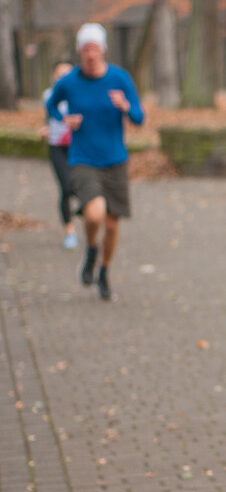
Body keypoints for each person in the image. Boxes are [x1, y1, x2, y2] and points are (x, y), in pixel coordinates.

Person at [45, 23, 144, 301]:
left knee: (112, 226)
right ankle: (91, 249)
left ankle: (104, 271)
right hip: (83, 158)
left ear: (102, 50)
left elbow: (139, 117)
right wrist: (64, 119)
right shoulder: (69, 82)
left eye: (94, 48)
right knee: (94, 214)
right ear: (79, 52)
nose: (90, 54)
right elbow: (51, 104)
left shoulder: (119, 79)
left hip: (115, 160)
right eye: (85, 49)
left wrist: (126, 107)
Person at [40, 60, 78, 250]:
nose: (63, 78)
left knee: (80, 186)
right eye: (59, 74)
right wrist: (45, 129)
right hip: (57, 146)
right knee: (66, 187)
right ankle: (70, 231)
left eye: (67, 74)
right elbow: (47, 117)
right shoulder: (48, 95)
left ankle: (84, 211)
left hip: (78, 146)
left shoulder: (79, 93)